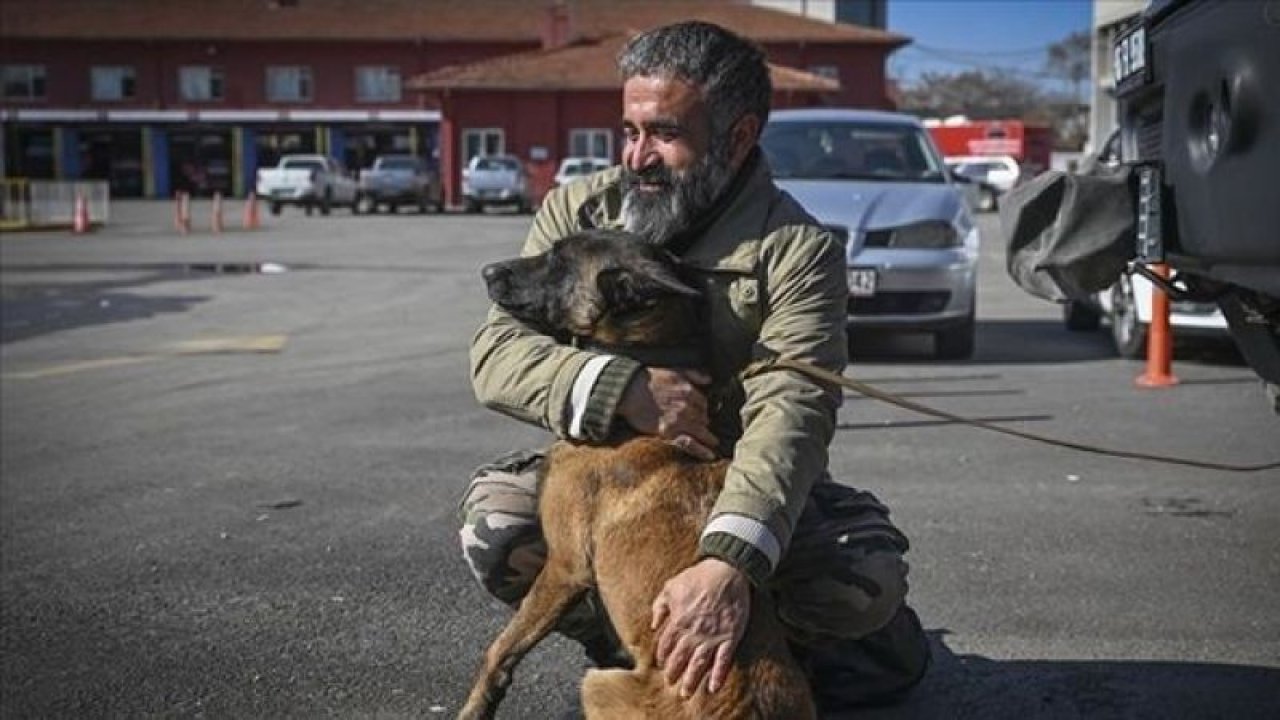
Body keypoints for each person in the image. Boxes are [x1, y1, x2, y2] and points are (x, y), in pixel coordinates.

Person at [459, 20, 930, 711]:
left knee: (863, 578)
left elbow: (791, 410)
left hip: (737, 481)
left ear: (737, 138)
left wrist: (727, 560)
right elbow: (497, 352)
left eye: (664, 134)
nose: (637, 156)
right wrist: (617, 387)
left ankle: (786, 643)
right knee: (498, 532)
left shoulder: (797, 249)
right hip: (615, 483)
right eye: (629, 130)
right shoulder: (579, 210)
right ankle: (638, 637)